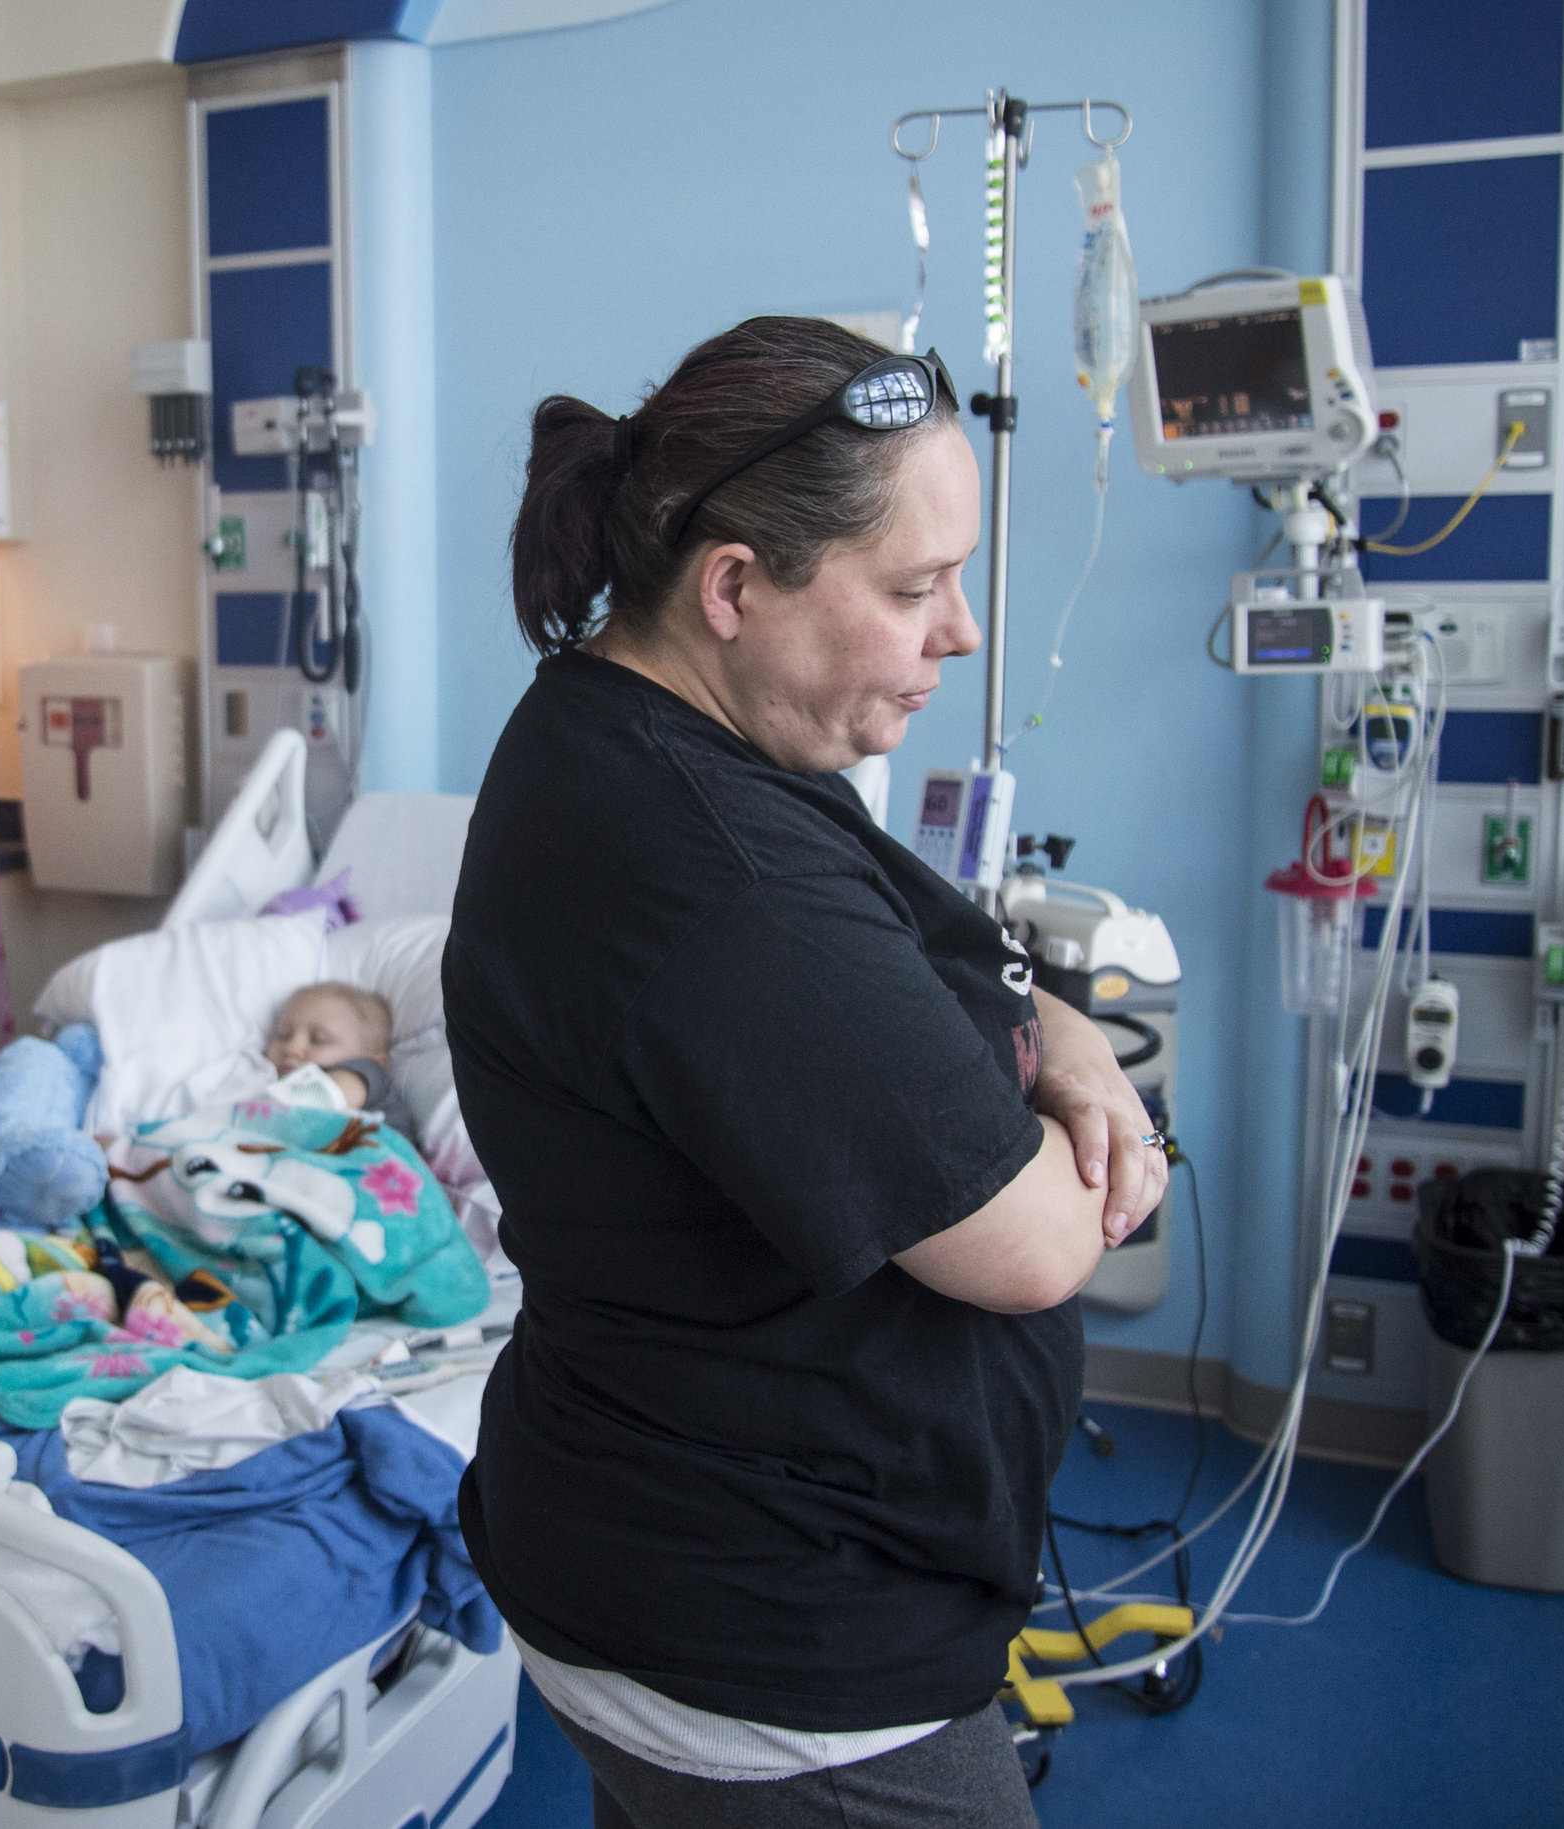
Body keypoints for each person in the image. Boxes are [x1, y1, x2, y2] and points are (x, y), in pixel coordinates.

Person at [442, 316, 1168, 1828]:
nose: (956, 632)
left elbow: (958, 956)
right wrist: (1086, 1105)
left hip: (669, 1552)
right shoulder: (710, 868)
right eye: (915, 589)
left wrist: (1067, 1037)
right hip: (778, 1651)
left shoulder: (652, 733)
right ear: (732, 587)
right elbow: (1033, 1242)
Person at [264, 981, 399, 1117]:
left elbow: (320, 1098)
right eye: (283, 1035)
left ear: (374, 1060)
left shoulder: (368, 1071)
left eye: (319, 1040)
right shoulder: (268, 1077)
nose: (291, 1048)